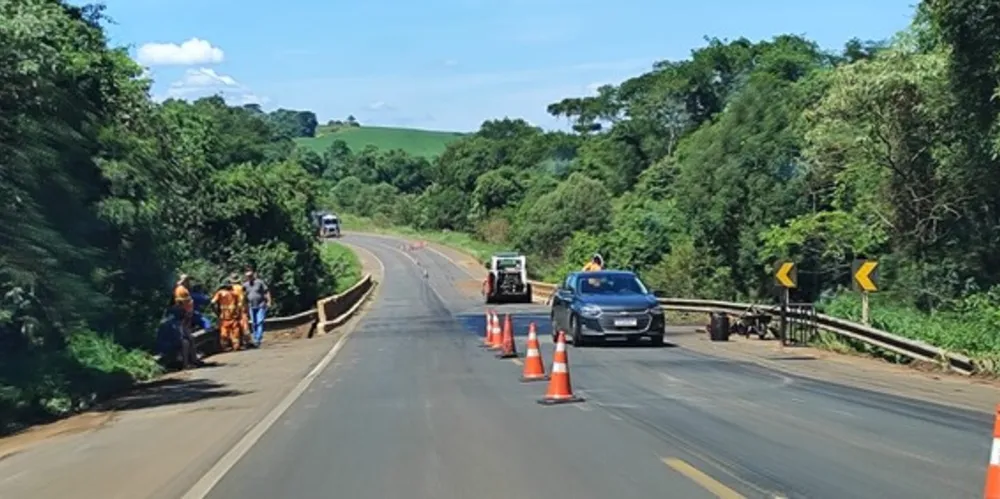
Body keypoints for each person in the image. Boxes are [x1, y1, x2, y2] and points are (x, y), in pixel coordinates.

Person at [243, 266, 271, 348]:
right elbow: (243, 296)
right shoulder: (245, 285)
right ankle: (255, 338)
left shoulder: (260, 282)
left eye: (251, 276)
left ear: (253, 275)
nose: (249, 278)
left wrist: (269, 301)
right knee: (254, 323)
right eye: (248, 276)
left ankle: (258, 339)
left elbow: (266, 292)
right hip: (251, 306)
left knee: (259, 321)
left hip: (261, 305)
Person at [211, 283, 241, 351]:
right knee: (235, 331)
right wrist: (238, 314)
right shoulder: (235, 294)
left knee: (224, 332)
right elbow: (238, 305)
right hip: (233, 315)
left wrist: (216, 312)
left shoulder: (220, 293)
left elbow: (212, 302)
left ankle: (225, 347)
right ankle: (236, 346)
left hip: (223, 316)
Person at [229, 274, 250, 348]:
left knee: (234, 326)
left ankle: (236, 344)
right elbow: (244, 300)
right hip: (241, 309)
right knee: (244, 325)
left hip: (231, 310)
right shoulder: (241, 288)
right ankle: (246, 342)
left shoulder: (229, 289)